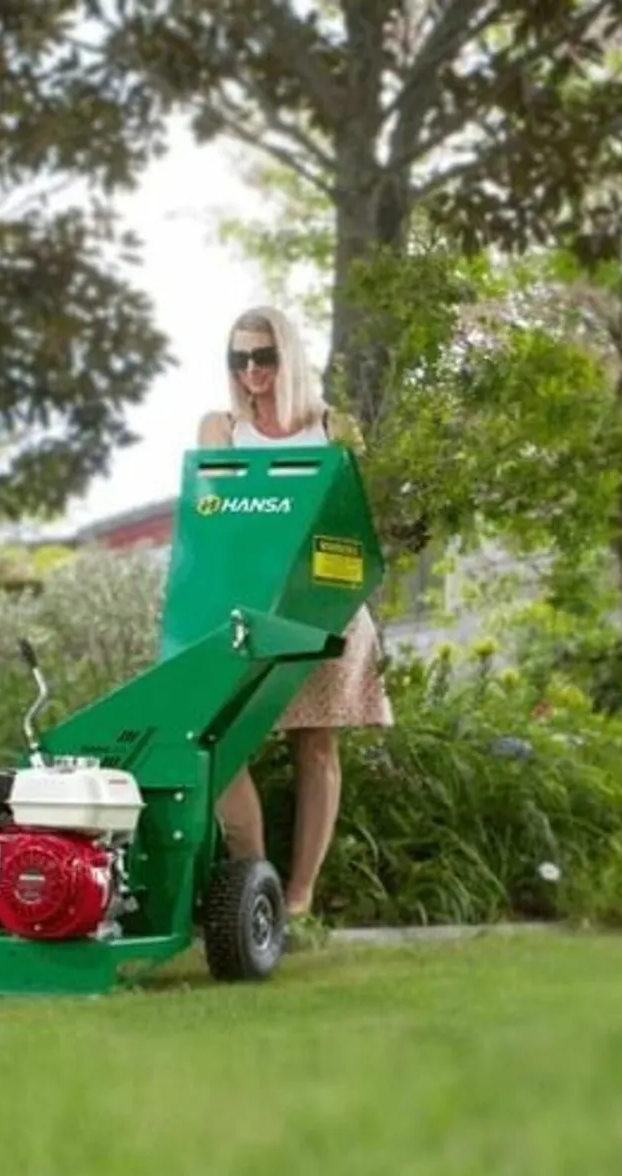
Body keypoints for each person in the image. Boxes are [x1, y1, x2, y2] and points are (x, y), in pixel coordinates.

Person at [197, 305, 394, 946]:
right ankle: (255, 888)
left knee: (316, 744)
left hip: (327, 604)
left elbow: (358, 521)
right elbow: (213, 517)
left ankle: (301, 901)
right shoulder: (221, 428)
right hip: (250, 609)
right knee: (215, 740)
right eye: (239, 359)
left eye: (264, 356)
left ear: (289, 357)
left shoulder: (335, 427)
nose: (251, 371)